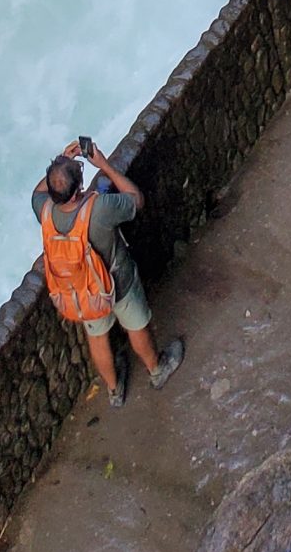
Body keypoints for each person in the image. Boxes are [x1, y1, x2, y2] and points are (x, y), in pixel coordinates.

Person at [32, 140, 185, 407]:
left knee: (97, 337)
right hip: (118, 282)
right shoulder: (99, 208)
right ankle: (156, 370)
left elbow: (38, 192)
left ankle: (114, 391)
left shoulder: (43, 210)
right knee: (136, 326)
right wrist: (102, 164)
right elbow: (136, 200)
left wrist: (59, 163)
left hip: (83, 294)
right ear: (78, 189)